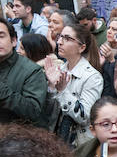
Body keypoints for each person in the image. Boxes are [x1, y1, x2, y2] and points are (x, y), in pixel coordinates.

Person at [0, 15, 48, 126]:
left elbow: (32, 111)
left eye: (1, 35)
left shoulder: (32, 71)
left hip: (24, 139)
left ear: (13, 41)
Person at [44, 19, 103, 147]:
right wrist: (51, 86)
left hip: (79, 144)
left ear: (81, 47)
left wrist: (62, 91)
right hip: (57, 141)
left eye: (67, 38)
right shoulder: (60, 70)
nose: (59, 42)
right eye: (60, 37)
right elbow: (49, 113)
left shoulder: (92, 77)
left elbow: (84, 116)